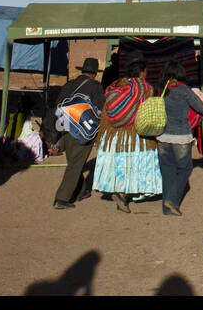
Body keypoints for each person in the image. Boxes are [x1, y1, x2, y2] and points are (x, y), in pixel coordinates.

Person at [93, 58, 158, 213]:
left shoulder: (115, 86)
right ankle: (124, 193)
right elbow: (146, 109)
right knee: (132, 162)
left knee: (118, 163)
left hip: (113, 133)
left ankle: (119, 191)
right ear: (142, 72)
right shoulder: (145, 87)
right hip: (133, 133)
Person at [45, 58, 104, 209]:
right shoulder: (95, 87)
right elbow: (99, 110)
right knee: (75, 165)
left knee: (74, 163)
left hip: (64, 128)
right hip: (83, 131)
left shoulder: (69, 85)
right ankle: (61, 198)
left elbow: (57, 106)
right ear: (94, 73)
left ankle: (81, 191)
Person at [157, 62, 203, 215]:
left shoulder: (161, 89)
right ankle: (172, 200)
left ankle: (166, 208)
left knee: (167, 171)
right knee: (185, 168)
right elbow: (201, 109)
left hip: (162, 136)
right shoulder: (184, 90)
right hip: (181, 136)